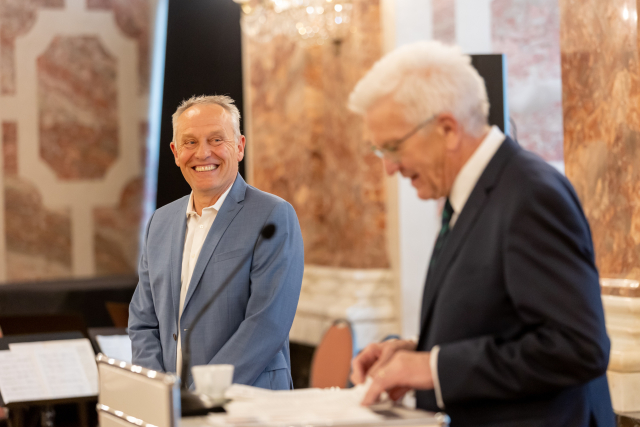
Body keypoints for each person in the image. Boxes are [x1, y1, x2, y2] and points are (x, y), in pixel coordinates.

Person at [348, 41, 614, 426]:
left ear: (447, 129)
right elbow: (501, 322)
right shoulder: (474, 194)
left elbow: (578, 348)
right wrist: (414, 354)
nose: (389, 168)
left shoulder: (530, 194)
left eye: (392, 147)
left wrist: (432, 367)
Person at [128, 95, 304, 390]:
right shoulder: (160, 221)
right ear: (174, 151)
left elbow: (267, 324)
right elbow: (143, 321)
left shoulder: (273, 216)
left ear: (240, 147)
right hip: (174, 409)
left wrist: (201, 396)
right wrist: (160, 392)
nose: (203, 153)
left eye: (216, 139)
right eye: (190, 142)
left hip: (250, 405)